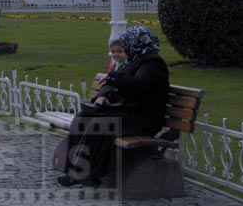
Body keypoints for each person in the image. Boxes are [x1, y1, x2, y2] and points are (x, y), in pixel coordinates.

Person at [58, 26, 170, 187]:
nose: (125, 48)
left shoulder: (152, 63)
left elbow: (137, 87)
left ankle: (86, 173)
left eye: (127, 44)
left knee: (101, 125)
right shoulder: (135, 60)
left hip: (143, 118)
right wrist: (102, 96)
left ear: (137, 43)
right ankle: (71, 169)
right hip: (129, 113)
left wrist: (113, 77)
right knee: (82, 118)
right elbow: (115, 83)